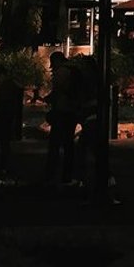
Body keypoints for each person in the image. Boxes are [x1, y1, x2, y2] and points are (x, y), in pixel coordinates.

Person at [45, 50, 82, 186]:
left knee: (55, 144)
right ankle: (67, 175)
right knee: (68, 144)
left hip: (62, 111)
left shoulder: (61, 72)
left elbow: (58, 91)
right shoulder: (73, 70)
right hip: (72, 111)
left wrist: (49, 99)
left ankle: (51, 174)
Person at [0, 71, 25, 175]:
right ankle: (3, 166)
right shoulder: (13, 86)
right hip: (8, 116)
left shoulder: (6, 86)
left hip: (3, 115)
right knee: (4, 142)